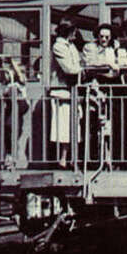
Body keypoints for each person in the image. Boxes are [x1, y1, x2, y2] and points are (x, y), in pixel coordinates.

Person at [51, 19, 82, 168]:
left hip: (72, 91)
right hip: (62, 92)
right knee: (64, 127)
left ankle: (70, 158)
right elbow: (70, 68)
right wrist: (85, 69)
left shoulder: (71, 46)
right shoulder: (59, 46)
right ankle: (63, 159)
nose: (75, 34)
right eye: (73, 31)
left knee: (73, 126)